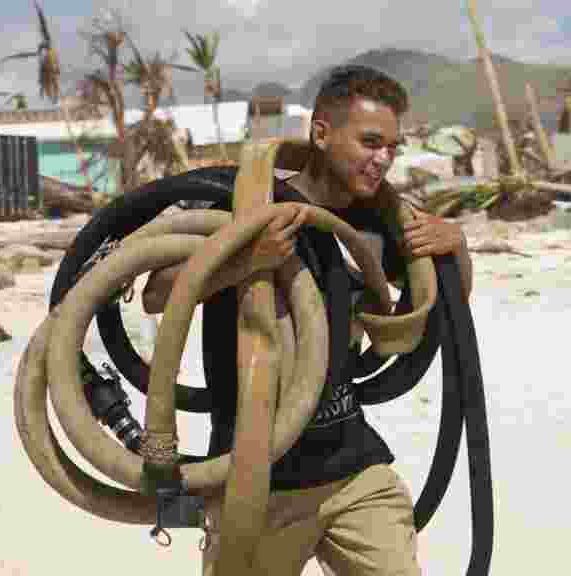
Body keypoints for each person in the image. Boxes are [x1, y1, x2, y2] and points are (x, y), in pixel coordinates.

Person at [141, 64, 473, 575]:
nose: (382, 159)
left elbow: (439, 312)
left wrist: (457, 251)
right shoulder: (243, 205)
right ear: (321, 133)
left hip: (352, 468)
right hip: (257, 478)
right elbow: (159, 294)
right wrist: (248, 261)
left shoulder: (374, 225)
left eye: (391, 146)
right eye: (369, 142)